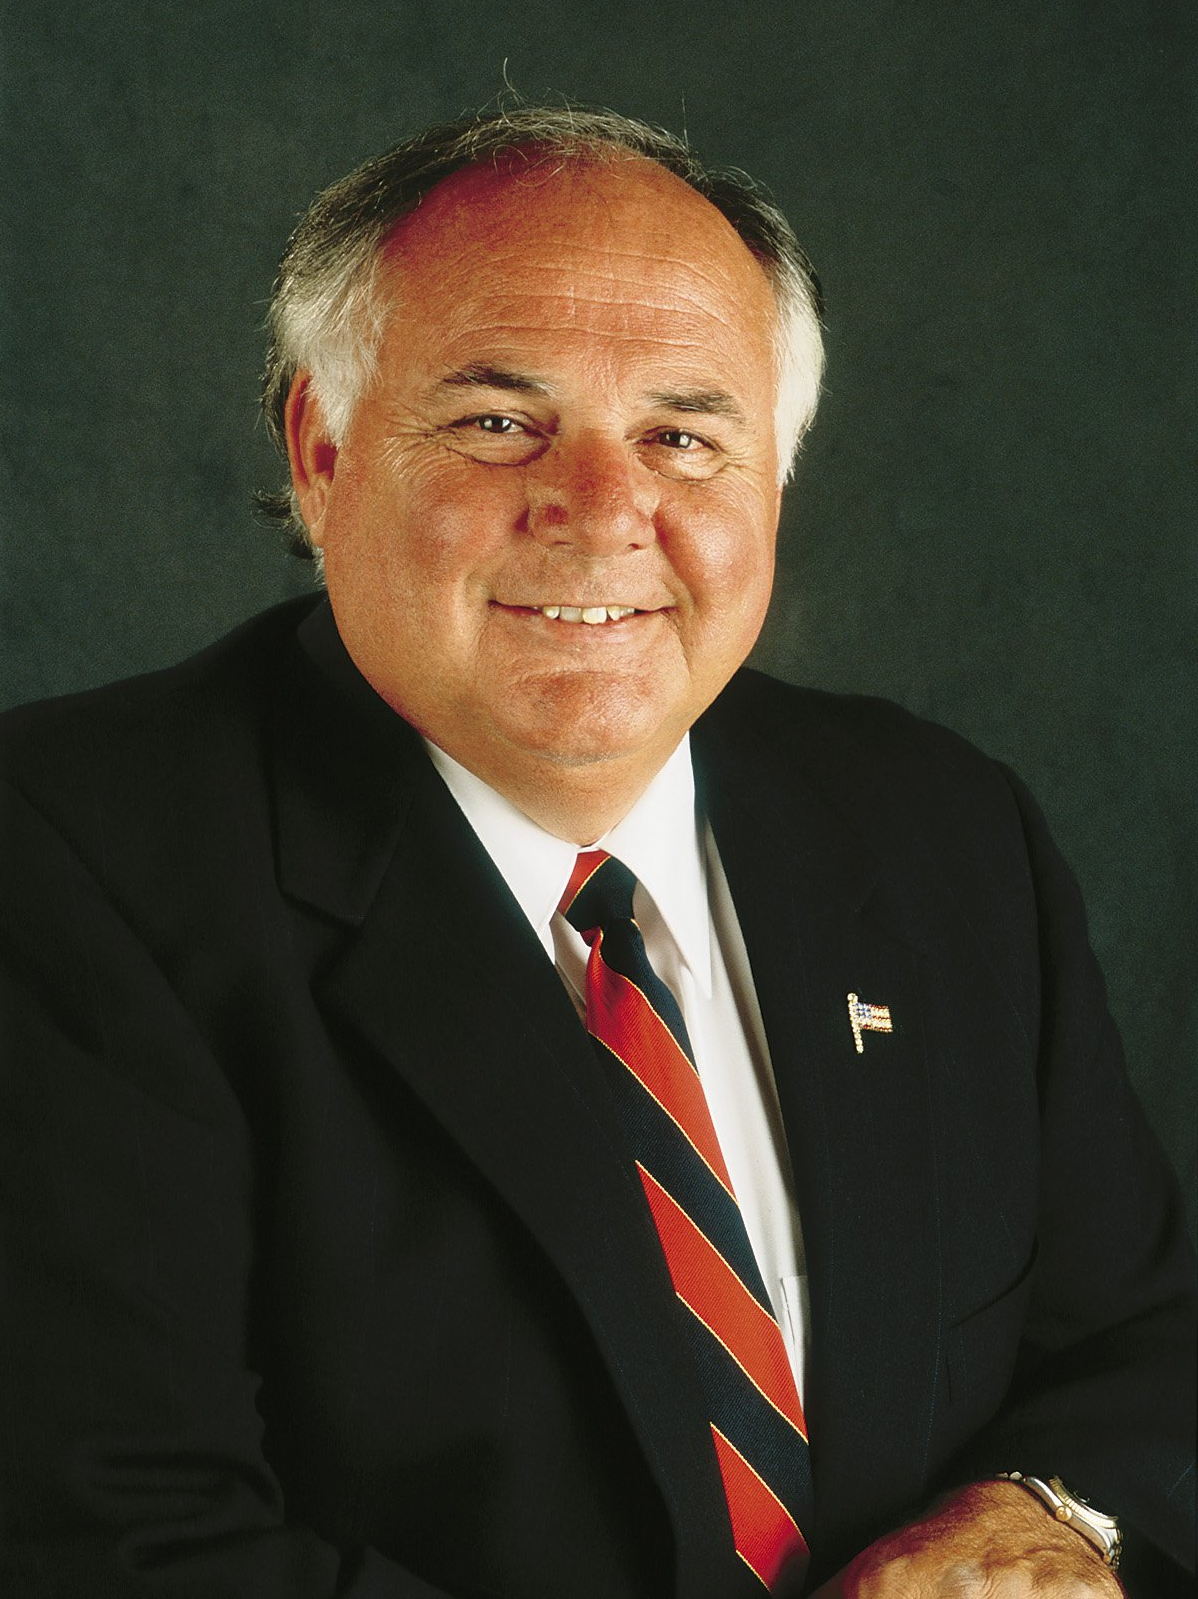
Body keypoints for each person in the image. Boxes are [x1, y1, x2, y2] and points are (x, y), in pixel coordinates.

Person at [0, 105, 1193, 1599]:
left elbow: (1143, 1338)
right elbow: (117, 1541)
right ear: (322, 450)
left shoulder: (937, 826)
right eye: (500, 420)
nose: (603, 510)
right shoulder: (62, 863)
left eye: (683, 436)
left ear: (774, 475)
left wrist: (1046, 1513)